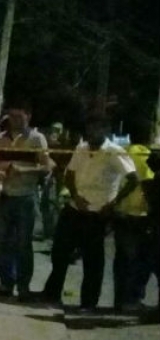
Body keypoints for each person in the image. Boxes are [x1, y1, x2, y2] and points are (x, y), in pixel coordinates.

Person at [41, 117, 140, 311]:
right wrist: (75, 195)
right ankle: (52, 294)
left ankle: (89, 302)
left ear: (105, 129)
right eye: (90, 128)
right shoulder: (82, 148)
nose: (92, 132)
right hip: (76, 206)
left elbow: (133, 179)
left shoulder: (114, 152)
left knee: (92, 259)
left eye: (96, 128)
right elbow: (70, 174)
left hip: (98, 211)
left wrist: (113, 203)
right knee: (60, 252)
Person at [0, 108, 50, 301]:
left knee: (23, 245)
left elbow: (46, 167)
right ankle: (6, 283)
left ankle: (23, 288)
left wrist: (23, 170)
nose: (14, 120)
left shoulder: (37, 139)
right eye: (12, 116)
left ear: (28, 116)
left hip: (25, 197)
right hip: (3, 195)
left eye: (19, 116)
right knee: (1, 242)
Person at [112, 126, 156, 312]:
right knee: (139, 261)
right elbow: (145, 183)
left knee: (122, 259)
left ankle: (119, 299)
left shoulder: (123, 153)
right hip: (140, 215)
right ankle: (131, 300)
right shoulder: (147, 155)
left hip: (121, 213)